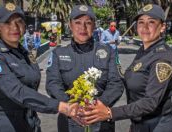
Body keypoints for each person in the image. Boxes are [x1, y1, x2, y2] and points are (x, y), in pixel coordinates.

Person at [81, 4, 172, 132]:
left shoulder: (162, 58)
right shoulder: (144, 50)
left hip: (159, 126)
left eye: (151, 22)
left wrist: (110, 113)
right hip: (141, 125)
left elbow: (150, 102)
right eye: (141, 22)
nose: (145, 27)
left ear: (162, 27)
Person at [0, 3, 78, 132]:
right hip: (6, 124)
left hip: (30, 121)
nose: (14, 27)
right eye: (7, 22)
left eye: (19, 22)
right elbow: (17, 91)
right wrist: (60, 106)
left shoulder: (25, 53)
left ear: (24, 26)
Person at [46, 4, 124, 132]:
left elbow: (116, 83)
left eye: (88, 22)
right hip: (69, 120)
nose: (83, 27)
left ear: (94, 26)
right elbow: (52, 84)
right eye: (77, 22)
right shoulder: (58, 53)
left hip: (101, 119)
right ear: (70, 25)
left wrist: (98, 105)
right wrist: (71, 106)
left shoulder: (108, 51)